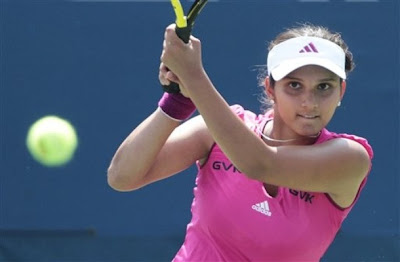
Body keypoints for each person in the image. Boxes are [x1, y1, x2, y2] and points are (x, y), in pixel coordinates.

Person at [107, 23, 374, 261]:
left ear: (341, 91)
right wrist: (177, 102)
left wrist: (193, 77)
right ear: (270, 88)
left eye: (324, 87)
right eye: (294, 85)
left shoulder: (350, 158)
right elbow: (122, 177)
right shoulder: (217, 132)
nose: (309, 102)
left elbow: (260, 164)